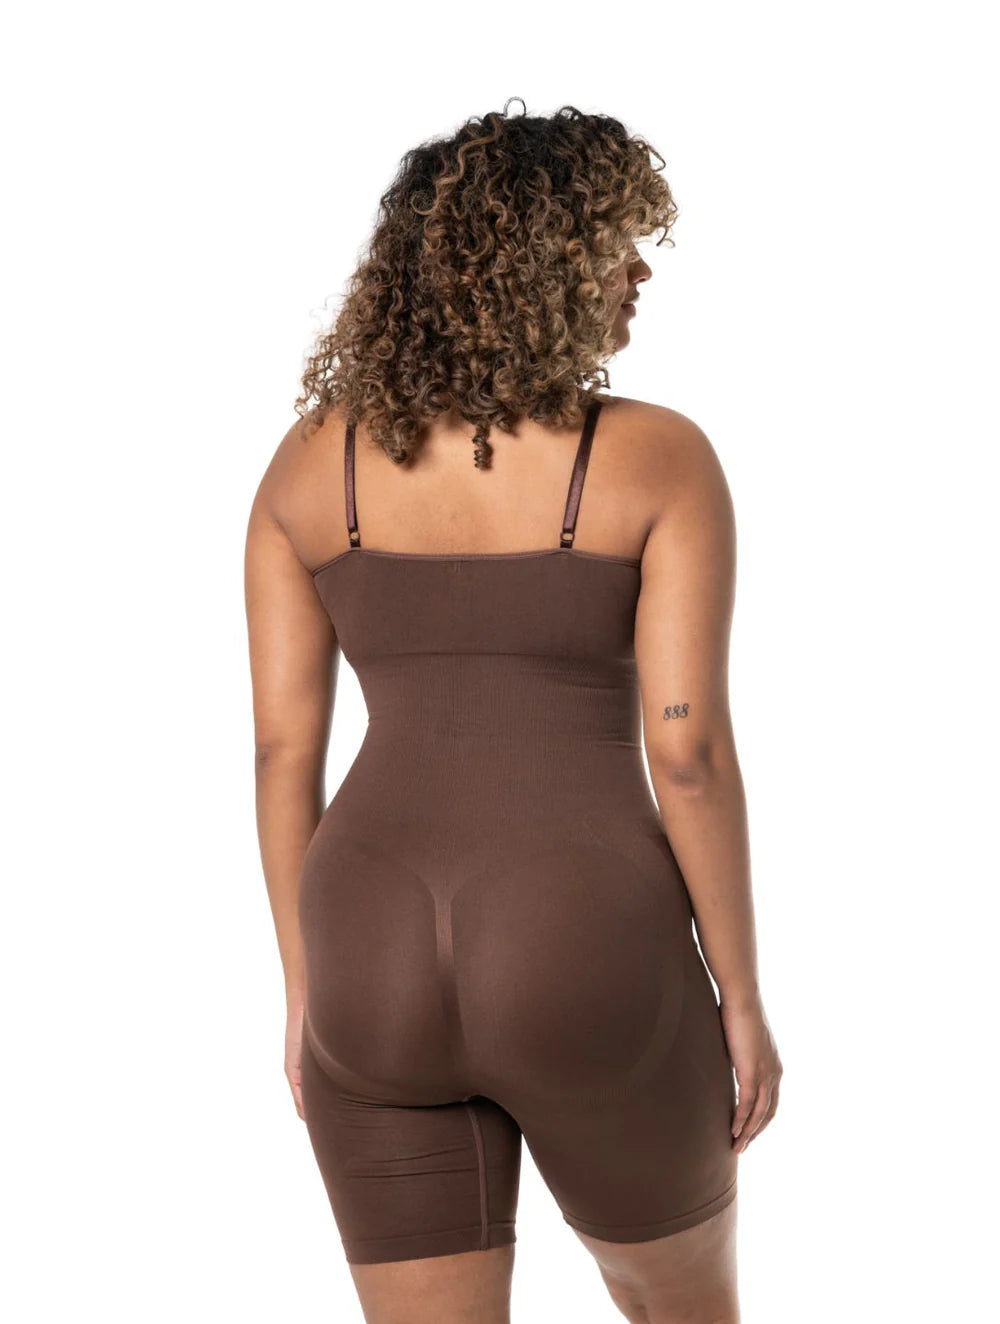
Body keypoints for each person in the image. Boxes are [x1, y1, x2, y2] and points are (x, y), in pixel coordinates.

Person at [244, 100, 781, 1324]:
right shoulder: (654, 458)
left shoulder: (309, 464)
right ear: (541, 268)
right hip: (582, 933)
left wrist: (305, 985)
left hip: (364, 938)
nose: (639, 272)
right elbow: (687, 753)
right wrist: (739, 998)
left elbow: (281, 751)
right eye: (615, 245)